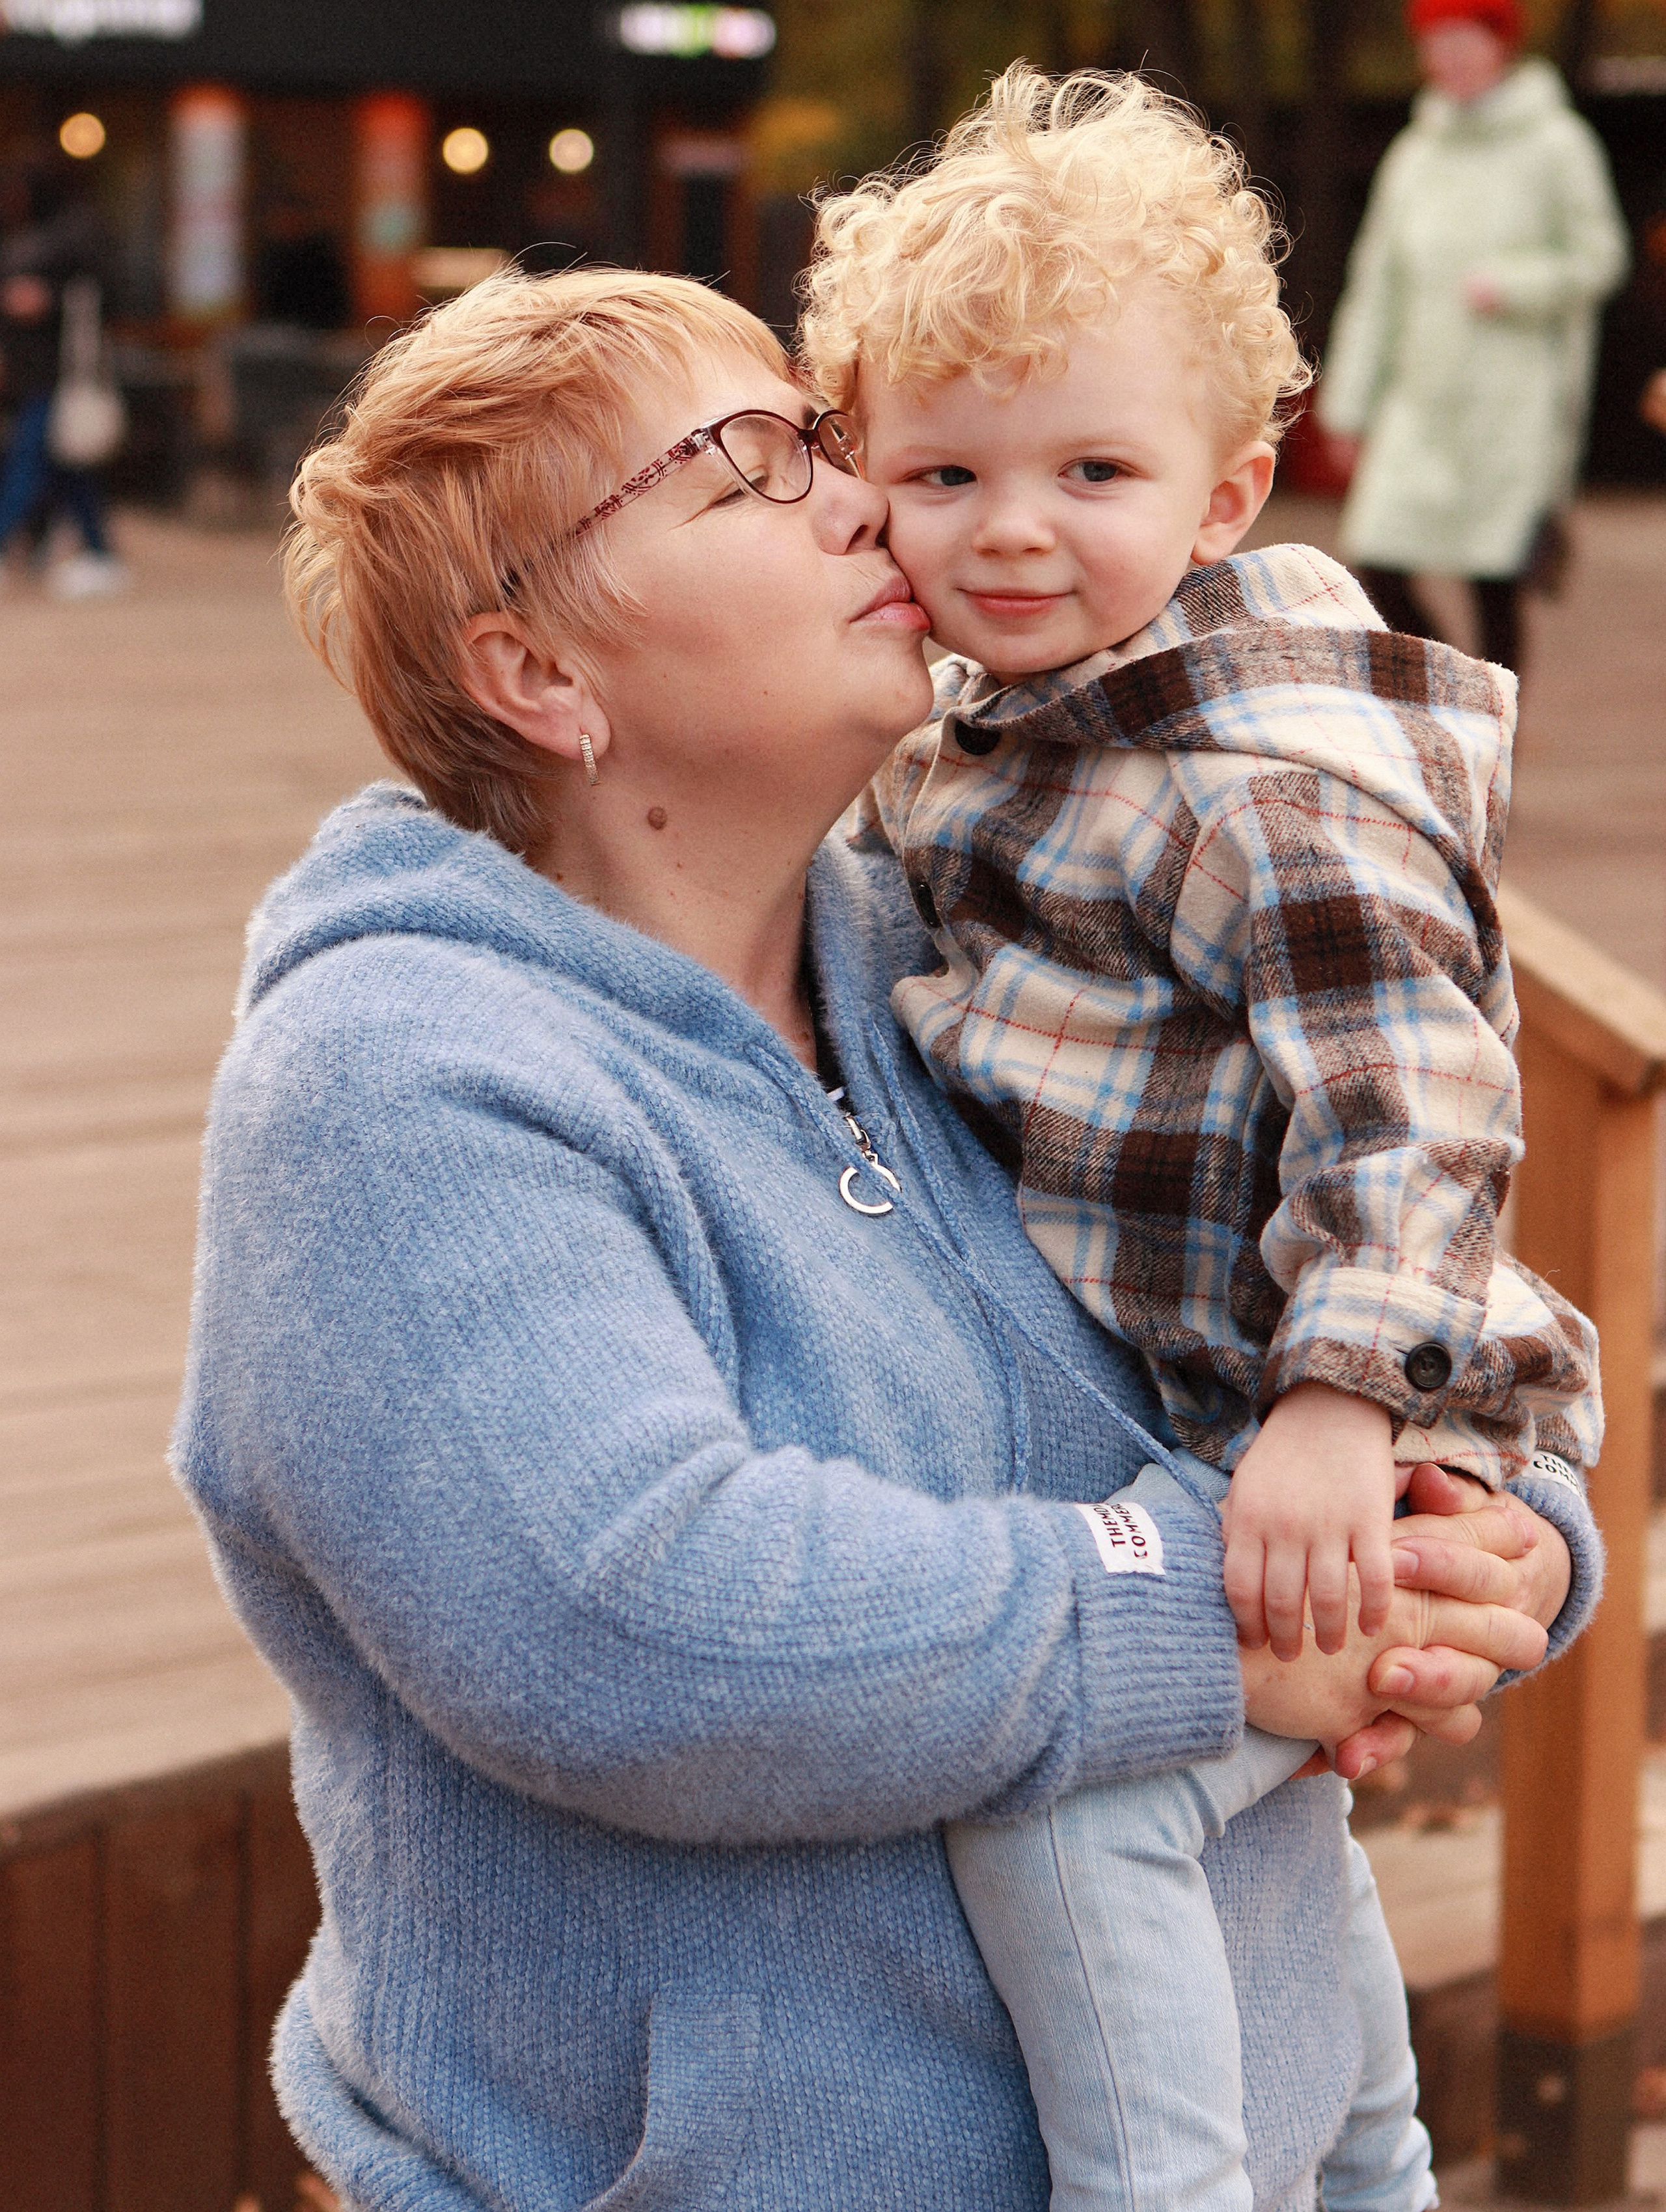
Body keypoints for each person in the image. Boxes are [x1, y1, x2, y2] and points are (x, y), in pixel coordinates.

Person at [172, 267, 1593, 2212]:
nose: (859, 497)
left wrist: (1494, 1523)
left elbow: (1415, 1257)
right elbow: (638, 1619)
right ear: (541, 677)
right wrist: (1236, 1610)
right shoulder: (394, 1080)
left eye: (825, 436)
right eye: (744, 466)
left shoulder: (982, 942)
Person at [800, 64, 1602, 2211]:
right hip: (1201, 1425)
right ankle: (1368, 2163)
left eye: (1094, 467)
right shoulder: (988, 742)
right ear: (861, 481)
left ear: (1230, 486)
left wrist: (1347, 1402)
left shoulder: (1258, 776)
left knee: (1078, 1805)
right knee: (1278, 1810)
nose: (1015, 526)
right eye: (944, 469)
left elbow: (1419, 1099)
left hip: (1329, 1394)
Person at [1316, 0, 1626, 677]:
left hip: (1509, 402)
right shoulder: (1413, 153)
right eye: (1437, 43)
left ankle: (1490, 743)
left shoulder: (1556, 144)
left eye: (1465, 40)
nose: (1450, 58)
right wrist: (1348, 404)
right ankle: (1456, 696)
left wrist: (1516, 284)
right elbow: (1376, 284)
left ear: (1499, 44)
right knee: (1377, 564)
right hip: (1419, 397)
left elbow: (1599, 255)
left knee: (1493, 581)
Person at [0, 152, 126, 597]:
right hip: (32, 371)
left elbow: (105, 293)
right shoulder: (33, 231)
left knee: (28, 462)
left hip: (63, 374)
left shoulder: (77, 230)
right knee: (71, 466)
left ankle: (93, 553)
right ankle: (100, 553)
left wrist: (46, 299)